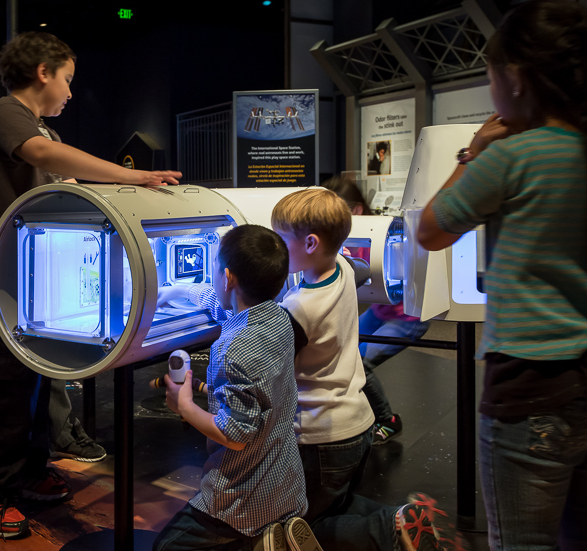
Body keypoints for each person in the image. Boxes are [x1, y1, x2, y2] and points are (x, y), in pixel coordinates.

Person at [0, 31, 181, 540]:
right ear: (44, 71)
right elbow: (43, 154)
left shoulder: (44, 131)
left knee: (40, 380)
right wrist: (135, 179)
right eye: (67, 79)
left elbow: (66, 184)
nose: (70, 91)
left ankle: (28, 470)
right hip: (3, 281)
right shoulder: (7, 114)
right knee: (3, 390)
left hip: (38, 280)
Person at [159, 189, 459, 551]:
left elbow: (261, 352)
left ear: (312, 243)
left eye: (281, 240)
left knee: (300, 525)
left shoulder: (297, 311)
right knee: (337, 502)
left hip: (320, 433)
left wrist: (194, 398)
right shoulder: (343, 268)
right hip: (356, 420)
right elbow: (361, 268)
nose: (277, 250)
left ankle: (386, 530)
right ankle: (401, 520)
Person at [417, 2, 587, 549]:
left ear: (514, 77)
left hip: (527, 390)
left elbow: (431, 230)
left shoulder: (509, 157)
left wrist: (474, 151)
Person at [153, 224, 316, 551]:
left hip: (241, 499)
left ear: (227, 277)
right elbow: (225, 305)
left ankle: (258, 541)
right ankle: (269, 539)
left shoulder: (232, 349)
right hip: (285, 483)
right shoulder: (278, 316)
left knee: (167, 547)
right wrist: (179, 291)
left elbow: (235, 436)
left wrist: (184, 405)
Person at [0, 166, 106, 465]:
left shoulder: (25, 174)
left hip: (31, 267)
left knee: (37, 362)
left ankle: (38, 443)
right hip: (2, 277)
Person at [324, 176, 430, 444]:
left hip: (408, 318)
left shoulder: (389, 234)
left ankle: (387, 420)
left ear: (356, 210)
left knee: (360, 361)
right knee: (344, 351)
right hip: (382, 311)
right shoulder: (353, 233)